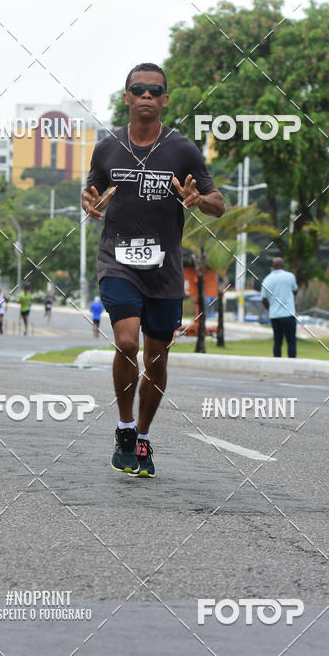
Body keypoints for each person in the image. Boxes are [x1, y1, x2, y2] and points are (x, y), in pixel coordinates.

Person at [82, 62, 224, 477]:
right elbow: (92, 193)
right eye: (139, 89)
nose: (146, 95)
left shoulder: (182, 150)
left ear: (165, 100)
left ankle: (143, 435)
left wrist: (199, 201)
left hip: (164, 270)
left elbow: (218, 203)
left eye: (155, 90)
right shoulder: (107, 148)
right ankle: (125, 430)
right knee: (127, 342)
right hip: (117, 261)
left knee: (157, 360)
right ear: (127, 97)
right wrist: (90, 204)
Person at [261, 257, 298, 358]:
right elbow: (295, 291)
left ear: (272, 266)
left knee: (277, 341)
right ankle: (292, 362)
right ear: (283, 266)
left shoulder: (266, 280)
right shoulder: (290, 276)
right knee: (291, 341)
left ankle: (277, 362)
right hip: (288, 314)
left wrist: (270, 309)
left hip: (275, 315)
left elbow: (264, 299)